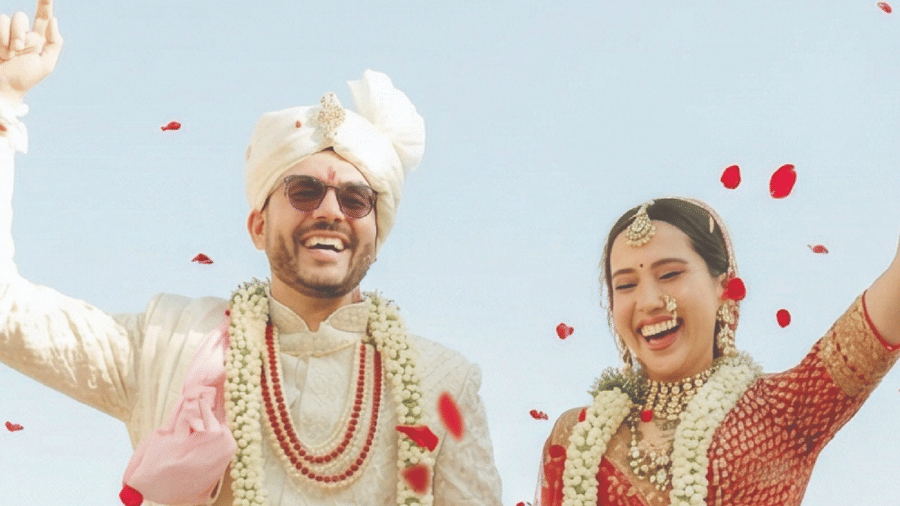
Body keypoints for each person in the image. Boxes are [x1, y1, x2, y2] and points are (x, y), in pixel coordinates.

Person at [0, 2, 503, 505]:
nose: (330, 211)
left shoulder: (441, 383)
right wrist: (4, 103)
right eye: (305, 192)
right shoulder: (167, 341)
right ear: (258, 226)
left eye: (355, 200)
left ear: (376, 234)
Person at [536, 197, 900, 506]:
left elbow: (875, 327)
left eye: (669, 275)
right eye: (626, 285)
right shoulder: (577, 436)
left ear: (724, 288)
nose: (648, 302)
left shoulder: (783, 412)